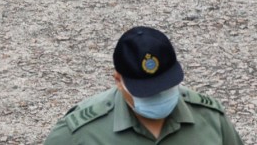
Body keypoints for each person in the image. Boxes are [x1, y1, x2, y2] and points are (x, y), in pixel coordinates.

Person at [44, 26, 244, 144]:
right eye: (146, 92)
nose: (158, 95)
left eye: (165, 86)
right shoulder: (79, 133)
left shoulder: (211, 118)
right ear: (118, 81)